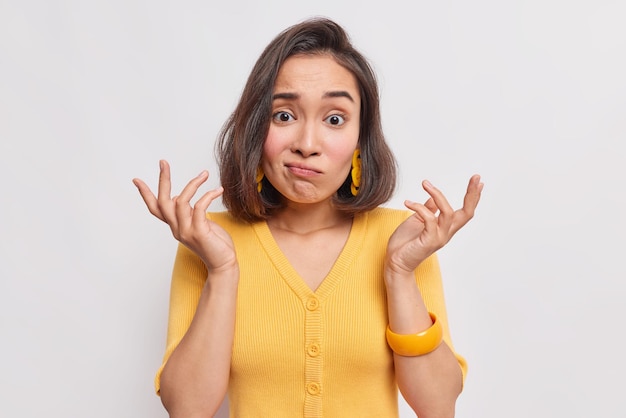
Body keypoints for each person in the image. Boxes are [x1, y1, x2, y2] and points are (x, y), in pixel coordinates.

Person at [133, 17, 483, 418]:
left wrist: (400, 273)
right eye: (284, 116)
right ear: (255, 128)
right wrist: (223, 270)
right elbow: (187, 409)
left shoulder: (403, 238)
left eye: (334, 119)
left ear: (359, 140)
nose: (307, 144)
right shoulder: (208, 241)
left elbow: (438, 406)